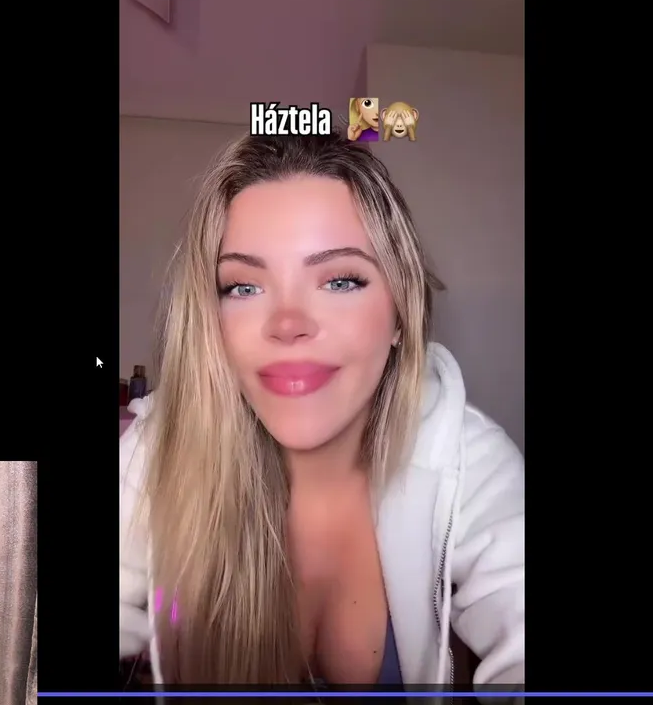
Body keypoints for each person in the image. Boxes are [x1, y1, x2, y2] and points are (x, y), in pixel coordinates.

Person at [119, 130, 525, 690]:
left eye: (339, 280)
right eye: (243, 287)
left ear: (401, 313)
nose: (288, 324)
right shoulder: (156, 451)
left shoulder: (467, 462)